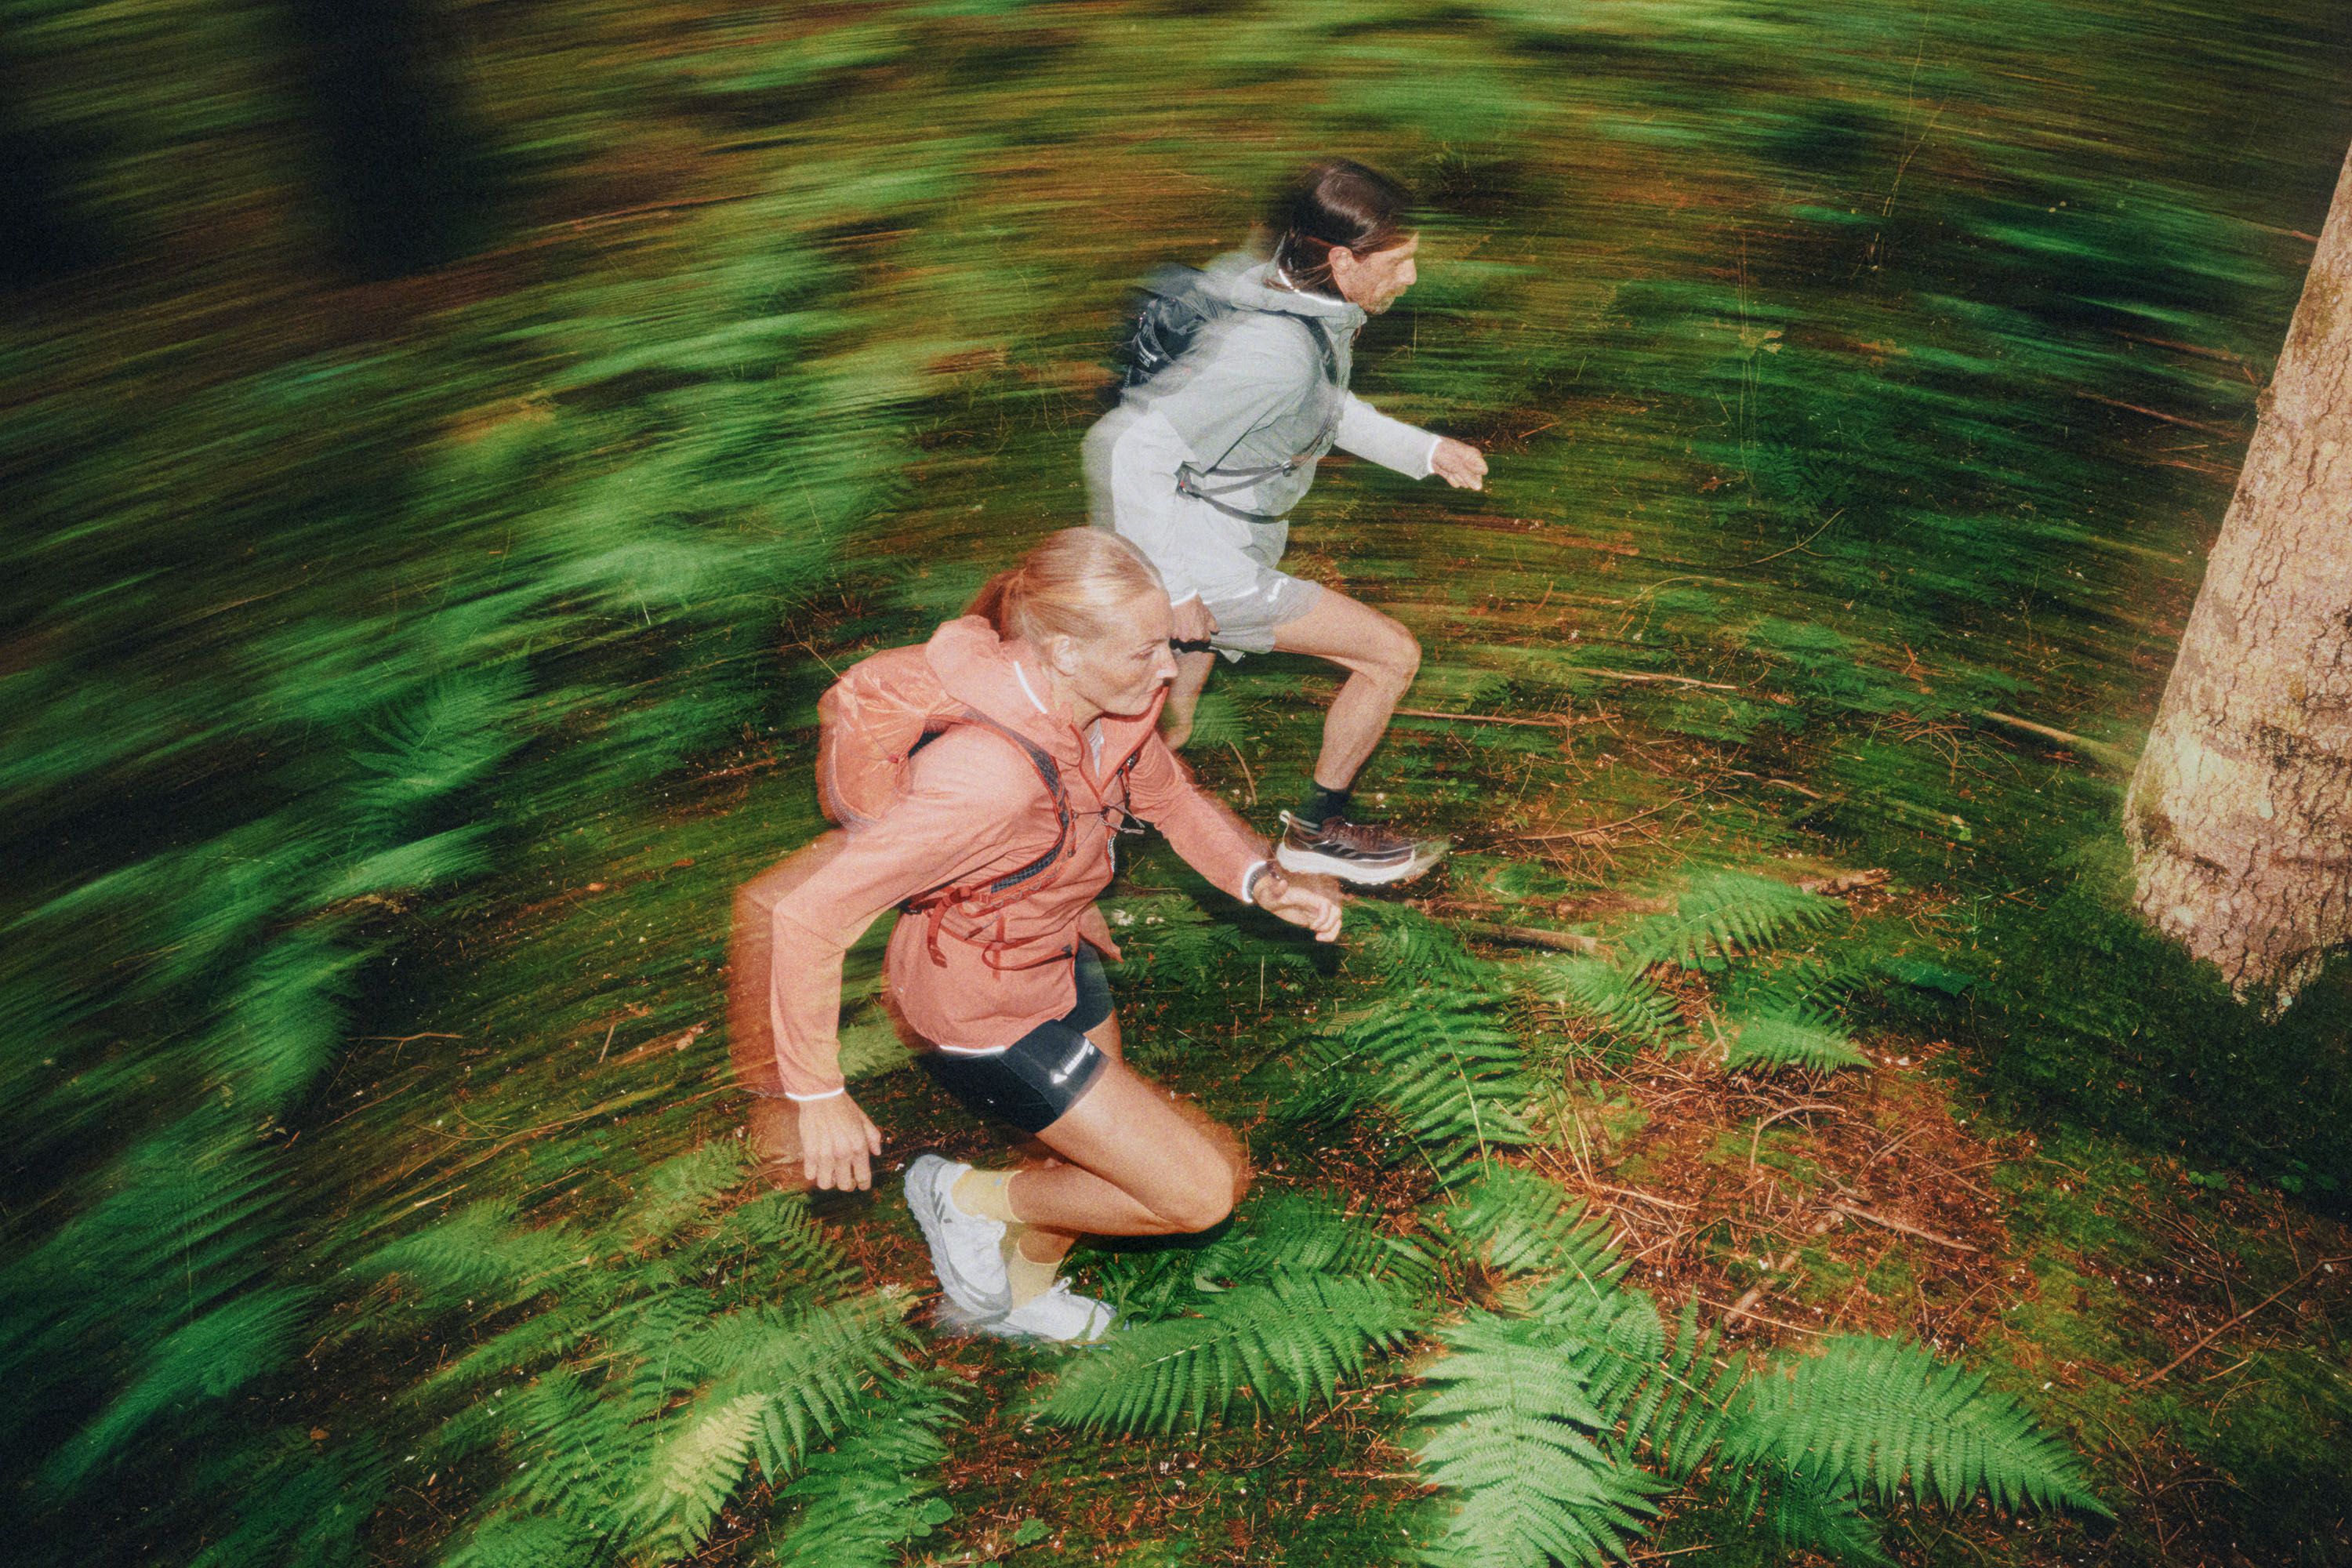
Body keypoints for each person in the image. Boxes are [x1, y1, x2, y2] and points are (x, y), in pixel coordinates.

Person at [728, 529, 1345, 1343]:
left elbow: (1174, 800)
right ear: (1060, 648)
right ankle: (961, 1197)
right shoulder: (983, 778)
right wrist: (817, 1092)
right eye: (1143, 650)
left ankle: (1019, 1303)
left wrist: (1261, 879)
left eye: (1166, 640)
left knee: (1096, 1165)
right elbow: (806, 912)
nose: (1170, 665)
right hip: (978, 1014)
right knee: (1200, 1189)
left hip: (1061, 957)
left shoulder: (1111, 709)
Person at [1083, 158, 1489, 886]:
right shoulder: (1273, 351)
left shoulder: (1294, 303)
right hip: (1200, 559)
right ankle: (1318, 831)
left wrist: (1424, 451)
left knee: (1162, 722)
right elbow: (1126, 445)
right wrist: (1172, 590)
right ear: (1341, 258)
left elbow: (1319, 410)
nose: (1411, 279)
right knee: (1390, 655)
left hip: (1199, 536)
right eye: (1399, 263)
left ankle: (1068, 843)